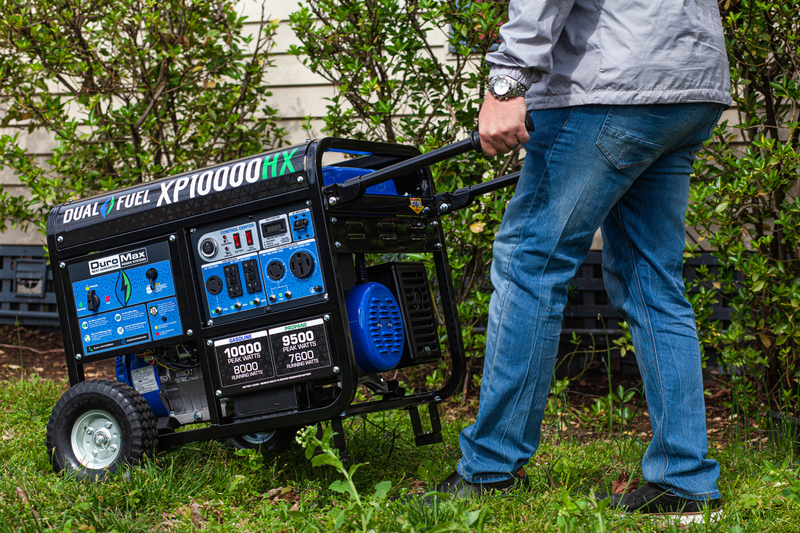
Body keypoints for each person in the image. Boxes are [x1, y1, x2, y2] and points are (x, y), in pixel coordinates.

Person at [432, 0, 731, 522]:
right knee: (653, 281)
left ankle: (490, 468)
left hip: (609, 84)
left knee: (529, 265)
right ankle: (684, 479)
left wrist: (506, 83)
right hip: (687, 82)